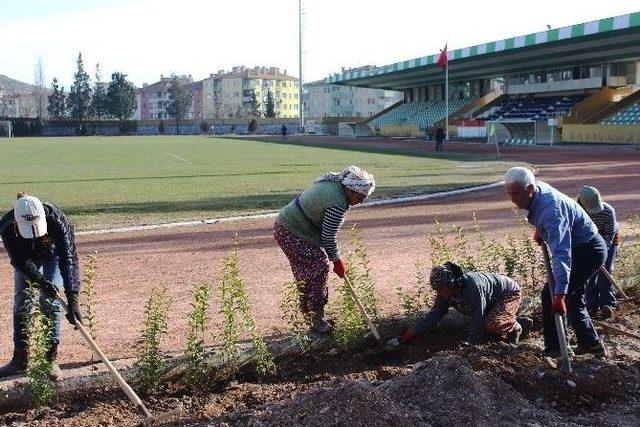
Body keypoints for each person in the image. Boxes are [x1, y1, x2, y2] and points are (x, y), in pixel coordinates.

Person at [504, 167, 607, 357]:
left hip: (588, 251)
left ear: (530, 189)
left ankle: (556, 349)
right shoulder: (537, 193)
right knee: (574, 298)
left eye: (516, 194)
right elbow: (552, 220)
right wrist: (541, 230)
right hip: (582, 245)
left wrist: (559, 294)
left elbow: (561, 255)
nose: (512, 199)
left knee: (551, 295)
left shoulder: (551, 213)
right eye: (509, 193)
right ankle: (591, 345)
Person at [274, 166, 375, 333]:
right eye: (361, 197)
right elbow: (328, 237)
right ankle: (317, 320)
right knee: (320, 267)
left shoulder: (333, 184)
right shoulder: (337, 203)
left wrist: (336, 259)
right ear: (350, 190)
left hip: (285, 227)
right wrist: (337, 261)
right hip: (293, 233)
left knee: (306, 274)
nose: (362, 201)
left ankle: (309, 314)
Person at [0, 193, 83, 379]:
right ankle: (20, 360)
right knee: (22, 302)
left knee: (50, 301)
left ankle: (49, 360)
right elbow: (20, 261)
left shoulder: (57, 221)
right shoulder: (6, 227)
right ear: (16, 222)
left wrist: (72, 297)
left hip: (52, 255)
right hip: (27, 260)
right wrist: (39, 281)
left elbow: (67, 258)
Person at [391, 262, 532, 346]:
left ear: (453, 284)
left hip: (508, 293)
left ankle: (517, 326)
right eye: (436, 290)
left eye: (442, 289)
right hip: (491, 299)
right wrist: (412, 334)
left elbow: (478, 317)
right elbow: (434, 316)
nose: (439, 293)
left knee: (492, 324)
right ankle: (508, 320)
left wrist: (472, 346)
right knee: (488, 326)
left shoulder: (473, 288)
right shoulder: (444, 293)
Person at [577, 185, 620, 319]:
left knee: (606, 271)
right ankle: (591, 306)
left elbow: (610, 234)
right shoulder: (577, 211)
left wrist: (601, 255)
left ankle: (608, 304)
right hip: (588, 242)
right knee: (589, 275)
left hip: (608, 241)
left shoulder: (608, 211)